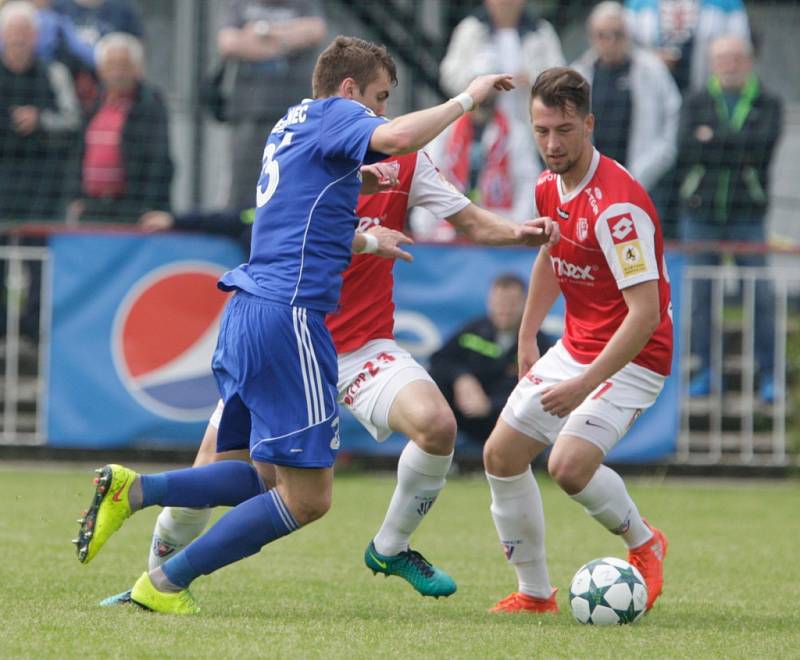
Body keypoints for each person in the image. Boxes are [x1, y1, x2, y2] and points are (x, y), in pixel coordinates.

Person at [74, 35, 519, 615]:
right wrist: (468, 96)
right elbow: (400, 136)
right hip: (294, 321)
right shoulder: (343, 116)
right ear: (349, 89)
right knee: (307, 499)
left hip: (248, 310)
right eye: (378, 98)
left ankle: (135, 494)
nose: (381, 112)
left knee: (257, 478)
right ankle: (162, 583)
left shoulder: (290, 125)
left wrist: (364, 235)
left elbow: (296, 215)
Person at [482, 67, 672, 615]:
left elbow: (645, 313)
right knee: (501, 455)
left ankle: (644, 541)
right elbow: (550, 252)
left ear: (588, 124)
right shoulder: (549, 184)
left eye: (563, 130)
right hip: (575, 345)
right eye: (541, 130)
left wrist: (585, 385)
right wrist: (526, 336)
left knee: (567, 466)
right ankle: (536, 593)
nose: (551, 143)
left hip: (635, 356)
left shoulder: (618, 210)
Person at [678, 35, 782, 402]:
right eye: (723, 58)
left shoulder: (768, 102)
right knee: (701, 298)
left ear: (749, 61)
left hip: (747, 215)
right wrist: (734, 143)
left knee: (761, 297)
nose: (731, 64)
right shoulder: (695, 101)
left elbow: (761, 149)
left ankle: (770, 373)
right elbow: (686, 150)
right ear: (712, 62)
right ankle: (706, 370)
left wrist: (713, 140)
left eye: (737, 58)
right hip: (701, 215)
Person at [217, 0, 327, 209]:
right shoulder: (240, 5)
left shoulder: (303, 4)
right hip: (248, 111)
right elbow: (227, 42)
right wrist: (285, 42)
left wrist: (262, 33)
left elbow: (314, 30)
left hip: (295, 113)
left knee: (294, 176)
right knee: (245, 181)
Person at [429, 273, 552, 447]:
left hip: (508, 420)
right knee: (434, 382)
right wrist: (462, 378)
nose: (504, 310)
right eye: (499, 303)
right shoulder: (473, 329)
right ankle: (436, 449)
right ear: (489, 302)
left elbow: (540, 391)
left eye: (512, 304)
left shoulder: (538, 342)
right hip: (465, 411)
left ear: (525, 304)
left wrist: (490, 405)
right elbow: (440, 360)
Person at [572, 1, 681, 195]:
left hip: (646, 180)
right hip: (591, 184)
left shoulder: (652, 70)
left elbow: (673, 116)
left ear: (628, 34)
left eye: (618, 34)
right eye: (603, 35)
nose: (611, 41)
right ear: (591, 37)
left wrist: (651, 166)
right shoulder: (578, 74)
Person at [67, 32, 172, 224]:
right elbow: (77, 153)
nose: (117, 73)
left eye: (124, 65)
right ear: (101, 70)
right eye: (111, 65)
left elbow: (159, 159)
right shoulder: (91, 104)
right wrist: (76, 197)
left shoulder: (150, 104)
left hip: (133, 209)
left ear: (137, 69)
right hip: (93, 208)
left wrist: (149, 207)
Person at [412, 95, 536, 242]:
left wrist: (516, 228)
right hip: (446, 234)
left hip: (497, 229)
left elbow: (527, 183)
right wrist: (424, 227)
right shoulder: (446, 130)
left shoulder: (514, 132)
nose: (485, 96)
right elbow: (429, 176)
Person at [0, 0, 80, 221]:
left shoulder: (55, 73)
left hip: (44, 183)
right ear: (3, 35)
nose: (19, 38)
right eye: (13, 31)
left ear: (35, 36)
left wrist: (41, 120)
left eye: (24, 32)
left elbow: (73, 120)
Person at [440, 0, 564, 128]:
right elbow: (449, 76)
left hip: (530, 126)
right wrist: (476, 85)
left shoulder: (541, 31)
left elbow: (561, 78)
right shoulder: (470, 29)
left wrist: (535, 80)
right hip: (479, 129)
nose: (506, 2)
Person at [624, 0, 750, 95]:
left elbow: (741, 47)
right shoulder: (637, 3)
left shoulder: (727, 3)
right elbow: (626, 48)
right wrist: (653, 59)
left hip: (708, 94)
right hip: (652, 93)